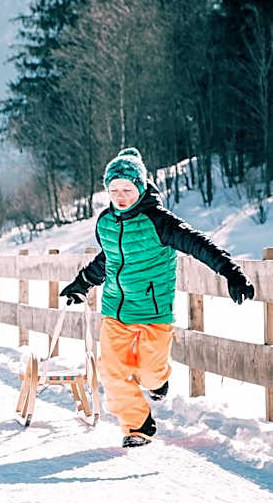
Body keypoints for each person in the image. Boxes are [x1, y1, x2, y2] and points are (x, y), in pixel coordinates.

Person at [60, 148, 254, 447]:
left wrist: (230, 271)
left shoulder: (159, 221)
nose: (120, 196)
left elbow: (197, 244)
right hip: (114, 311)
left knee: (150, 373)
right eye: (113, 190)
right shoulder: (106, 223)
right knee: (112, 373)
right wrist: (81, 283)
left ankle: (158, 382)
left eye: (127, 189)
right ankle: (137, 426)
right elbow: (108, 260)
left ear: (140, 187)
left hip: (153, 312)